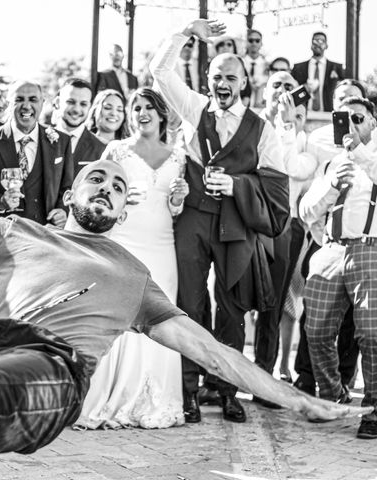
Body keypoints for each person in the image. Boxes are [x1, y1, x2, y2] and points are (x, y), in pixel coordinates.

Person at [0, 82, 370, 480]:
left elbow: (213, 352)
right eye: (99, 179)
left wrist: (292, 397)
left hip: (49, 371)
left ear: (122, 209)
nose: (108, 188)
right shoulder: (12, 232)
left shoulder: (133, 276)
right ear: (75, 188)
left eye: (118, 188)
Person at [151, 18, 290, 424]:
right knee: (190, 307)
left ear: (244, 83)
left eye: (231, 76)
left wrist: (237, 185)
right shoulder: (194, 109)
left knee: (231, 311)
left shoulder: (263, 130)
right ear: (207, 80)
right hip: (193, 220)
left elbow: (279, 193)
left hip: (236, 226)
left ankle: (228, 391)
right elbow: (160, 72)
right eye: (216, 76)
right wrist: (185, 31)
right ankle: (190, 392)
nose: (222, 82)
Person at [75, 87, 188, 429]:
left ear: (161, 113)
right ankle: (113, 396)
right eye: (135, 107)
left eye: (148, 107)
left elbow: (175, 209)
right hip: (126, 240)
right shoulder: (116, 150)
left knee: (161, 313)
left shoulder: (178, 156)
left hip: (162, 243)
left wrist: (178, 201)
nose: (140, 113)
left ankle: (152, 399)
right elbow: (101, 192)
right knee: (123, 315)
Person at [300, 95, 377, 439]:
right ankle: (332, 394)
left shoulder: (372, 158)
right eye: (345, 119)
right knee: (315, 330)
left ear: (373, 123)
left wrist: (359, 154)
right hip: (330, 251)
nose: (352, 125)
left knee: (372, 335)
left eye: (358, 118)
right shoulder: (333, 164)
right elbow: (307, 212)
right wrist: (331, 187)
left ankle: (374, 408)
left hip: (370, 250)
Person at [252, 72, 318, 407]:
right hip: (245, 221)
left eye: (287, 85)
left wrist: (290, 126)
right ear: (264, 91)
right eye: (276, 84)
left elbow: (299, 172)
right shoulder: (248, 123)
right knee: (233, 301)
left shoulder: (302, 137)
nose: (282, 90)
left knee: (273, 305)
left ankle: (263, 379)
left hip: (284, 226)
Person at [0, 79, 74, 227]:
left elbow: (67, 187)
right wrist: (0, 202)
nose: (26, 106)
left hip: (47, 234)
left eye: (33, 99)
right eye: (19, 99)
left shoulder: (62, 141)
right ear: (8, 104)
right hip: (2, 234)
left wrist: (63, 211)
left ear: (42, 103)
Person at [52, 78, 105, 175]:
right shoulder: (40, 140)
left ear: (90, 106)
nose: (77, 109)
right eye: (71, 102)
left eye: (83, 104)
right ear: (58, 103)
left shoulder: (102, 148)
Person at [292, 32, 344, 112]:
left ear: (326, 46)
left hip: (329, 114)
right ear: (311, 46)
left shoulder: (337, 68)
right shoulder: (298, 68)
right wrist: (304, 88)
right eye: (315, 41)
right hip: (303, 114)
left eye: (321, 41)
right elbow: (290, 91)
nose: (317, 44)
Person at [243, 29, 268, 109]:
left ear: (261, 43)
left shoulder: (268, 65)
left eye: (257, 40)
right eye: (251, 40)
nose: (254, 43)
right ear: (246, 43)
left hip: (261, 106)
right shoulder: (240, 63)